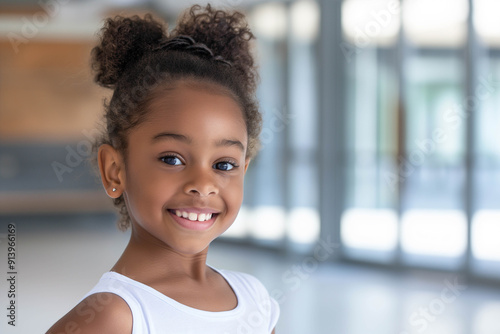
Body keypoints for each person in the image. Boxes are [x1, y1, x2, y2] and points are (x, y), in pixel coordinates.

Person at [46, 4, 279, 333]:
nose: (203, 183)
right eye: (172, 159)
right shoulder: (112, 317)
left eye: (224, 164)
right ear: (115, 170)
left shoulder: (256, 300)